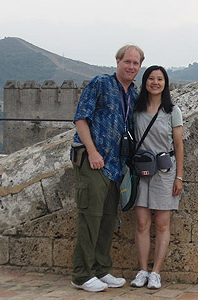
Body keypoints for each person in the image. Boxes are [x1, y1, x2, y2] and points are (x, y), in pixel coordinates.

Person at [71, 45, 144, 292]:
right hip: (93, 162)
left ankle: (101, 270)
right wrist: (92, 151)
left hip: (115, 167)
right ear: (118, 61)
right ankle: (81, 275)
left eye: (136, 63)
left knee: (107, 220)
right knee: (90, 218)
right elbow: (81, 118)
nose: (131, 67)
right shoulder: (101, 83)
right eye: (128, 61)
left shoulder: (133, 95)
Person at [130, 65, 184, 289]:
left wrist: (179, 177)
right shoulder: (136, 109)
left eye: (159, 79)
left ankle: (156, 273)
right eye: (151, 78)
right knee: (142, 223)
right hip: (141, 171)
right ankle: (142, 270)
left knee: (162, 225)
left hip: (164, 172)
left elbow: (179, 145)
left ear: (165, 83)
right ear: (145, 82)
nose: (155, 82)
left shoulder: (172, 111)